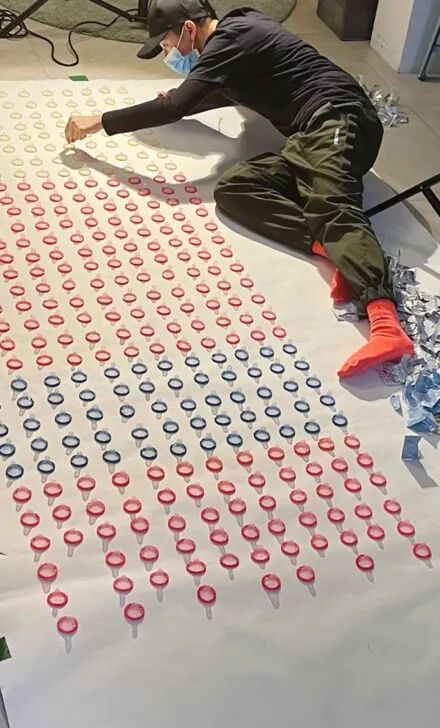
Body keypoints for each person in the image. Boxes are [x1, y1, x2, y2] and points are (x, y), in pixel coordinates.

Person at [65, 0, 414, 378]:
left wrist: (101, 120)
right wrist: (164, 106)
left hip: (339, 117)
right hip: (307, 137)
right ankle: (333, 250)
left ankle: (386, 323)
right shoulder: (234, 41)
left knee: (332, 206)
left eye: (166, 44)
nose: (167, 54)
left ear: (188, 30)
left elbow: (177, 105)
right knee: (235, 188)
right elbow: (203, 95)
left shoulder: (232, 39)